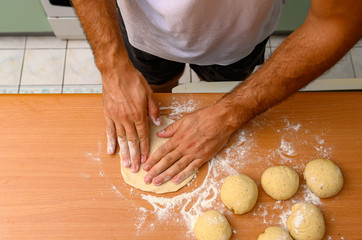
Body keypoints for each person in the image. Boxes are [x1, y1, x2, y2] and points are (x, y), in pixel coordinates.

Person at [72, 0, 361, 187]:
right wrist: (111, 64)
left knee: (218, 88)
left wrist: (230, 112)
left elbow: (337, 22)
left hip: (236, 40)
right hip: (144, 31)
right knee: (155, 91)